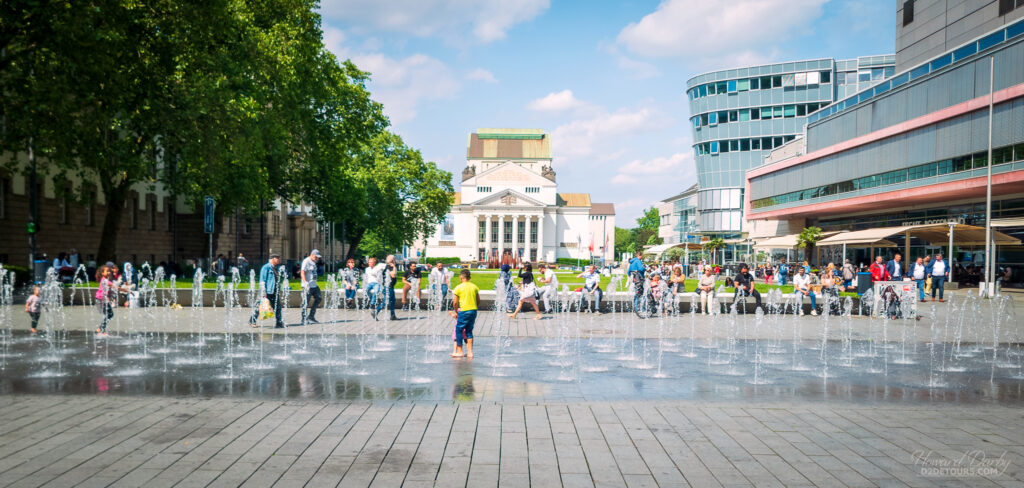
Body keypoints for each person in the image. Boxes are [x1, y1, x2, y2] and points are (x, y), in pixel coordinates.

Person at [450, 269, 479, 359]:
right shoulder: (474, 286)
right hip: (473, 310)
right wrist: (473, 307)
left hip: (463, 311)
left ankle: (460, 351)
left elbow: (455, 303)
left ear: (461, 277)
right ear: (469, 277)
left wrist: (456, 311)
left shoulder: (458, 287)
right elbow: (478, 300)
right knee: (469, 331)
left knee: (459, 329)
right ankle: (470, 353)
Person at [250, 254, 284, 328]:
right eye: (277, 258)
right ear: (272, 259)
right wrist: (264, 292)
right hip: (267, 291)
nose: (278, 259)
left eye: (279, 258)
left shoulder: (275, 268)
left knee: (278, 307)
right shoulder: (266, 267)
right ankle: (252, 321)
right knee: (260, 306)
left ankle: (279, 322)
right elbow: (262, 280)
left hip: (274, 291)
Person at [95, 265, 123, 336]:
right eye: (106, 271)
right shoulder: (105, 280)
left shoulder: (104, 280)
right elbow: (116, 287)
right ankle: (100, 330)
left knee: (108, 315)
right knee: (109, 315)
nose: (108, 273)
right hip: (101, 300)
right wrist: (127, 290)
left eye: (109, 271)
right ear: (102, 273)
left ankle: (101, 330)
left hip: (101, 299)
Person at [300, 250, 322, 324]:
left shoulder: (313, 262)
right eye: (316, 257)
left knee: (319, 298)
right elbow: (302, 272)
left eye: (318, 258)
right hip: (307, 286)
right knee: (305, 302)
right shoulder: (306, 261)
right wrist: (305, 282)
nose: (317, 259)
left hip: (314, 285)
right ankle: (303, 319)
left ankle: (311, 317)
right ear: (312, 255)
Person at [381, 255, 398, 320]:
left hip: (390, 286)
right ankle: (376, 311)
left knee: (393, 301)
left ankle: (392, 315)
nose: (395, 260)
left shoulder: (387, 266)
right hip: (388, 287)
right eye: (394, 259)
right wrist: (394, 267)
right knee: (386, 301)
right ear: (392, 260)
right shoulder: (390, 267)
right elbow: (393, 275)